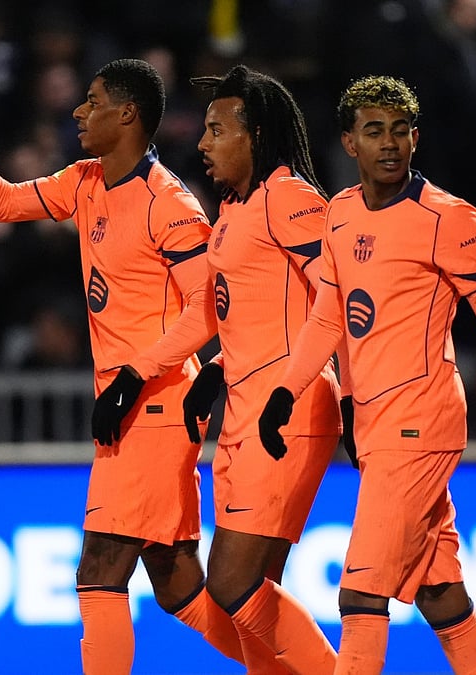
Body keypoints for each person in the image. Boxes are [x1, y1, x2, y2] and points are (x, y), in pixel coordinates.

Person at [257, 75, 476, 674]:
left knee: (359, 593)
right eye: (374, 132)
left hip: (422, 421)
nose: (389, 144)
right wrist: (289, 393)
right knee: (441, 597)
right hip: (379, 428)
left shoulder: (450, 220)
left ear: (416, 139)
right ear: (349, 142)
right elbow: (332, 316)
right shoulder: (341, 213)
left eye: (400, 132)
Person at [0, 56, 246, 673]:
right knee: (175, 580)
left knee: (99, 568)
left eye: (94, 100)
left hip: (157, 403)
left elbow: (207, 314)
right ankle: (294, 665)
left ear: (128, 114)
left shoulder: (172, 206)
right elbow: (0, 204)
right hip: (124, 407)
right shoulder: (84, 181)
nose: (79, 111)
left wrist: (134, 374)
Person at [180, 64, 340, 674]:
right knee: (252, 599)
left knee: (230, 585)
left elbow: (336, 306)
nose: (202, 143)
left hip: (287, 413)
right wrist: (219, 367)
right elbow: (259, 307)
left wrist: (353, 395)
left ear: (255, 133)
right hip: (242, 413)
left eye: (217, 129)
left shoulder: (291, 198)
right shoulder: (237, 206)